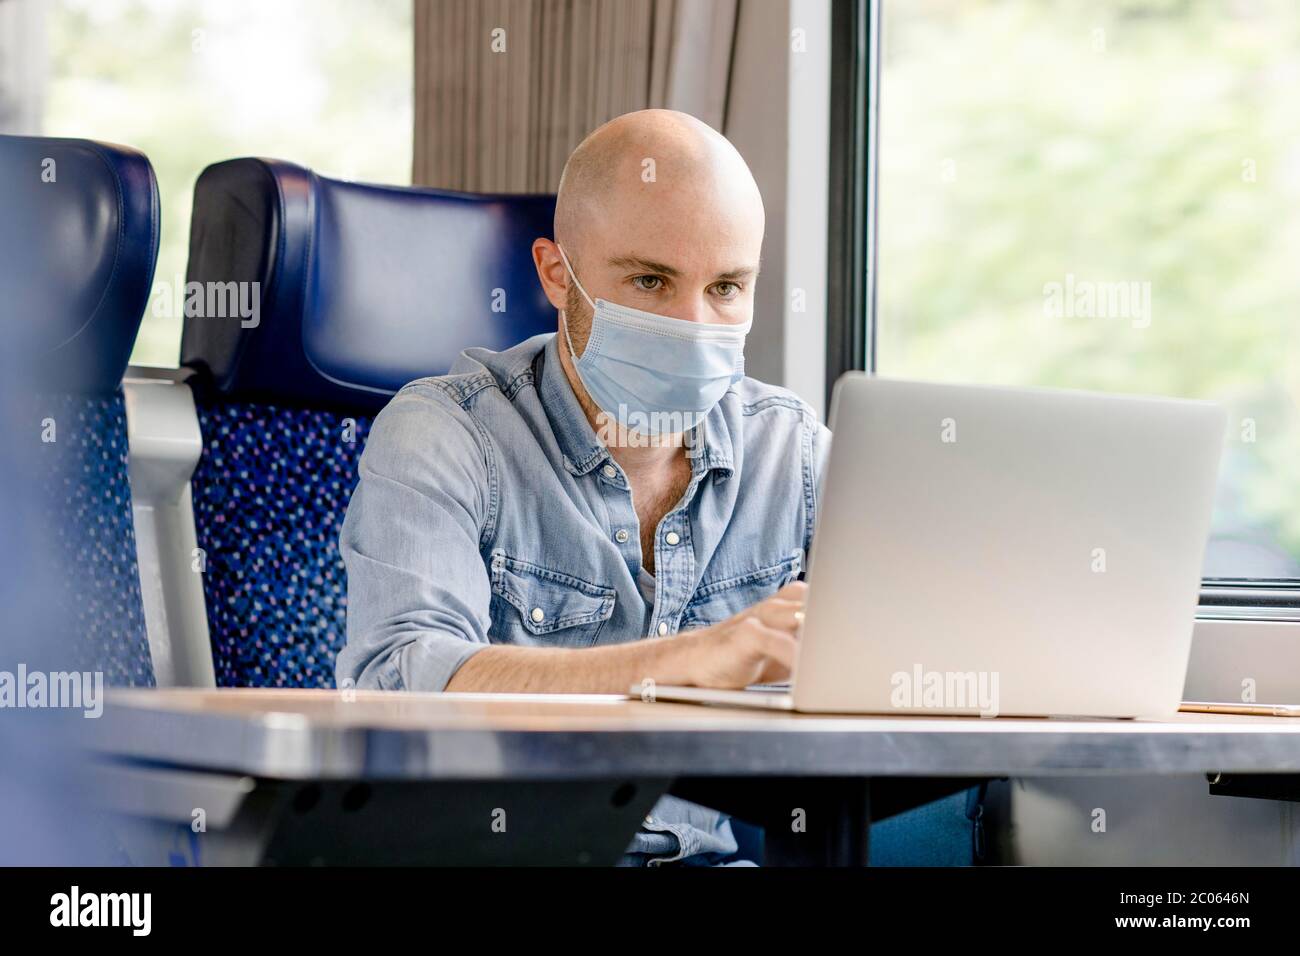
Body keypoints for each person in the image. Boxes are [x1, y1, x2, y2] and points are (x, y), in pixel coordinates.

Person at [337, 108, 829, 865]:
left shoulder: (789, 449)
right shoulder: (446, 434)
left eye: (726, 287)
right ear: (557, 275)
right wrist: (684, 664)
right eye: (650, 280)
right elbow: (399, 683)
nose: (694, 325)